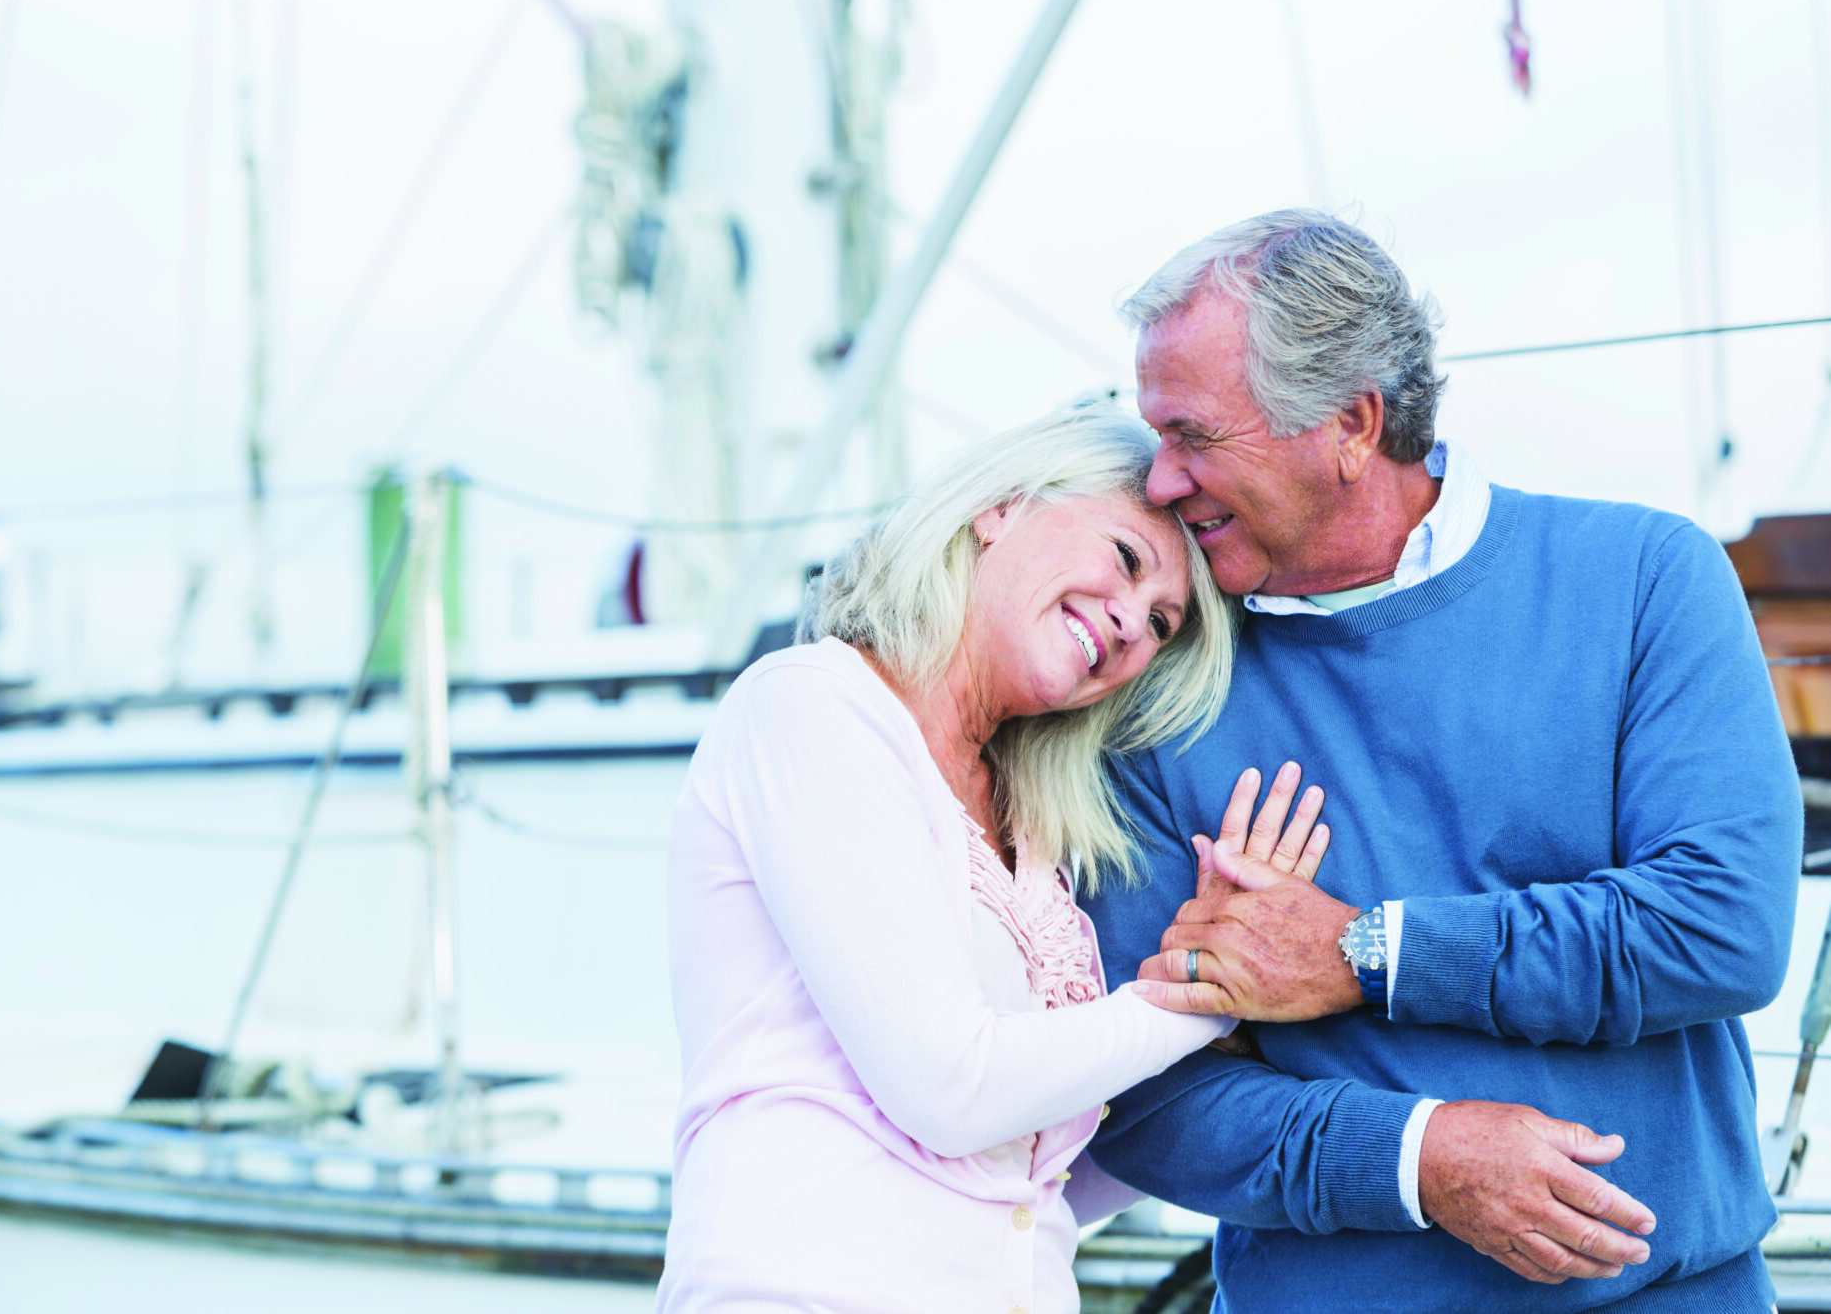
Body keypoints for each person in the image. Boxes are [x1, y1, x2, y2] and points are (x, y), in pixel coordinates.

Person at [1082, 209, 1802, 1312]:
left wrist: (1369, 952)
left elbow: (1722, 929)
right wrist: (1420, 1155)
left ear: (1351, 424)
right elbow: (1143, 1099)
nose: (1163, 481)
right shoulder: (1151, 677)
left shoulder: (1646, 577)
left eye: (1191, 435)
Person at [656, 403, 1325, 1314]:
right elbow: (951, 1090)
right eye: (1127, 559)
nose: (1132, 622)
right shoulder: (811, 707)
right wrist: (1208, 991)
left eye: (1163, 625)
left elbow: (1026, 1176)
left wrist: (1242, 1029)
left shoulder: (1036, 829)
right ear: (1001, 507)